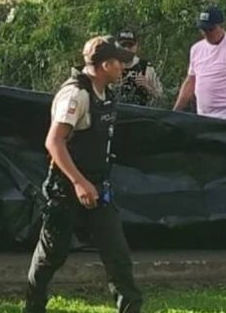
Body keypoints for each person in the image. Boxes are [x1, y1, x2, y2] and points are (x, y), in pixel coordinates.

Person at [25, 36, 142, 313]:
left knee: (118, 258)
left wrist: (93, 184)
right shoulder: (76, 95)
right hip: (66, 190)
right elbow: (54, 142)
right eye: (119, 63)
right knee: (51, 256)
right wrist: (79, 182)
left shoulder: (105, 93)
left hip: (99, 188)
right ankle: (33, 307)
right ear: (105, 65)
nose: (123, 69)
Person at [173, 6, 226, 121]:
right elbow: (190, 82)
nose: (206, 34)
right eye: (203, 30)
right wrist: (175, 111)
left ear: (221, 27)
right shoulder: (196, 49)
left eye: (210, 30)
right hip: (203, 118)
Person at [115, 30, 163, 106]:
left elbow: (160, 97)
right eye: (123, 45)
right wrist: (114, 86)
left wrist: (148, 87)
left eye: (130, 45)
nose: (127, 49)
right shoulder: (110, 66)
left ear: (136, 46)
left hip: (140, 113)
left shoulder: (145, 67)